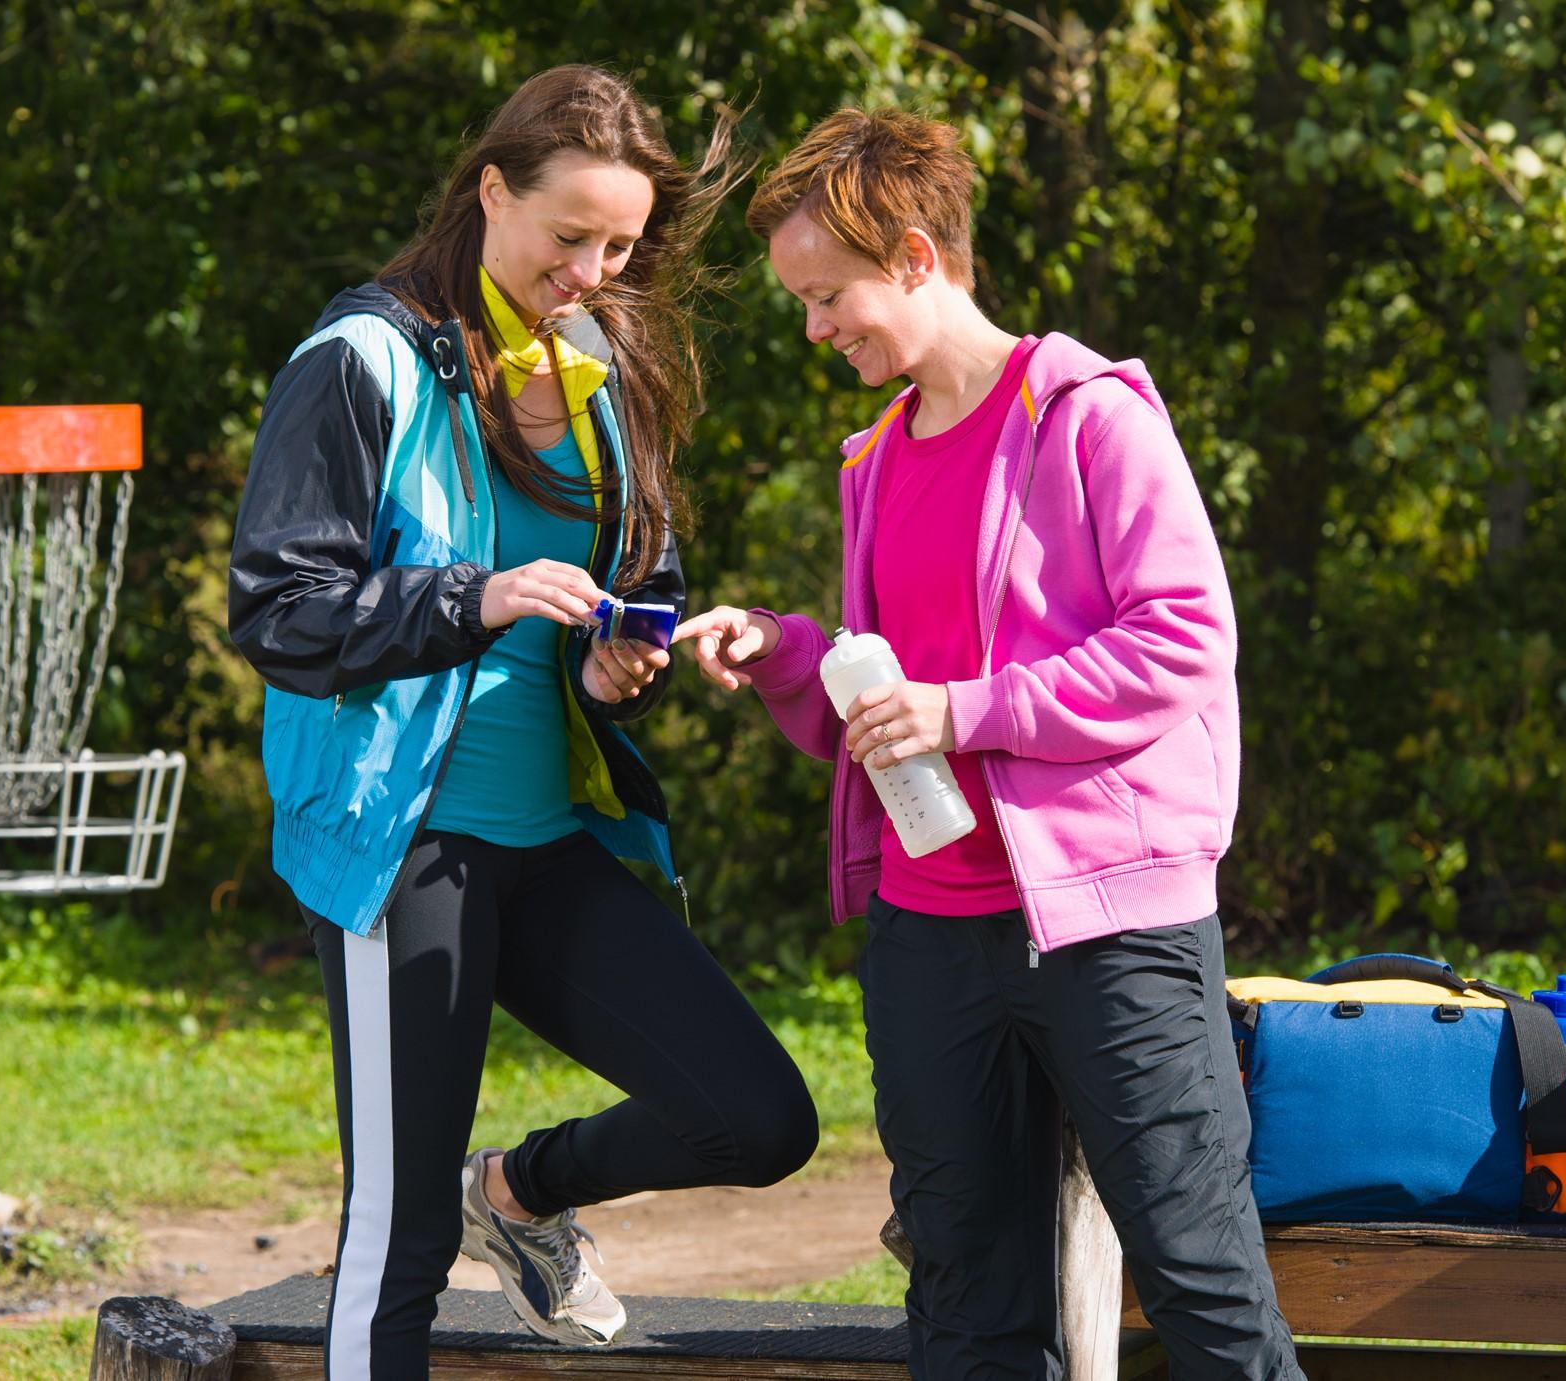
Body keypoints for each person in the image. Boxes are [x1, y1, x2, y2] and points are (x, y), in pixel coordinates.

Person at [674, 108, 1303, 1380]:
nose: (814, 329)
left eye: (826, 296)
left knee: (1200, 1287)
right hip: (927, 937)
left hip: (1109, 929)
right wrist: (787, 651)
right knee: (963, 1309)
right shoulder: (871, 460)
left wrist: (965, 710)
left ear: (914, 257)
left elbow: (1182, 639)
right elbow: (892, 690)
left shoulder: (1091, 418)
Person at [227, 65, 817, 1381]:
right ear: (492, 191)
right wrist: (471, 597)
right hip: (402, 846)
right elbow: (276, 610)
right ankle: (449, 1215)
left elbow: (639, 575)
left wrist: (620, 665)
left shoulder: (601, 361)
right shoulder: (358, 360)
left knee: (758, 1116)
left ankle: (515, 1194)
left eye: (619, 246)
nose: (593, 272)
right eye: (570, 237)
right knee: (397, 1237)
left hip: (549, 838)